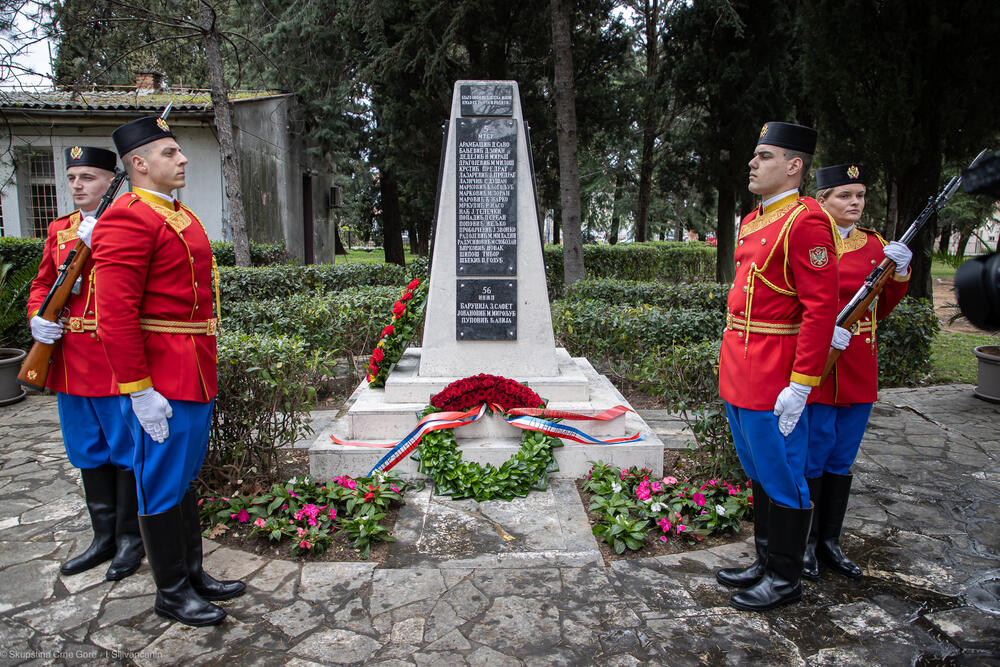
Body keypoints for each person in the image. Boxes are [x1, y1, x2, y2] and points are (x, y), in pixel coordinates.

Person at [91, 116, 243, 627]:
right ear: (139, 164)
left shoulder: (178, 213)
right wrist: (139, 391)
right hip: (161, 378)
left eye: (179, 152)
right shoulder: (127, 218)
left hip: (194, 369)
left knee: (181, 478)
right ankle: (171, 592)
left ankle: (194, 573)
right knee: (158, 481)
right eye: (170, 153)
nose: (182, 160)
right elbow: (113, 315)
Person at [715, 121, 841, 611]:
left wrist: (803, 385)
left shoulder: (805, 221)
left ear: (794, 166)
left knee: (784, 472)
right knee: (759, 467)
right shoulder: (754, 219)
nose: (753, 162)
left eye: (764, 155)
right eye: (755, 154)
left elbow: (819, 311)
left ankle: (786, 578)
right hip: (741, 366)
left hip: (775, 372)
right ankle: (766, 561)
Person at [26, 146, 144, 581]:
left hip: (114, 360)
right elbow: (42, 285)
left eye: (88, 178)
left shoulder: (129, 223)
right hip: (71, 362)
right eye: (73, 177)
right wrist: (38, 318)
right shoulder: (60, 230)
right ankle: (103, 538)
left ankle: (131, 540)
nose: (77, 185)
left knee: (126, 452)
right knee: (85, 450)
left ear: (110, 181)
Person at [802, 164, 910, 580]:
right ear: (824, 199)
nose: (855, 204)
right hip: (819, 362)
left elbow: (882, 306)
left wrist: (899, 272)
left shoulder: (876, 245)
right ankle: (806, 543)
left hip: (858, 364)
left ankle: (830, 541)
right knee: (814, 452)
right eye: (845, 195)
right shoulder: (811, 238)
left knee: (843, 455)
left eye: (860, 196)